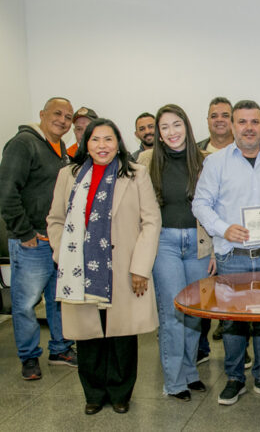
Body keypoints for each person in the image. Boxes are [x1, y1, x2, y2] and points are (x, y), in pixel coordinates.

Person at [193, 99, 260, 406]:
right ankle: (234, 378)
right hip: (233, 256)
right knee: (233, 321)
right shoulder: (216, 163)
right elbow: (200, 204)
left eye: (254, 122)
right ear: (232, 126)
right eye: (242, 122)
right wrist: (223, 228)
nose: (249, 128)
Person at [47, 118, 161, 415]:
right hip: (80, 268)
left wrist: (140, 267)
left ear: (117, 142)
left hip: (123, 266)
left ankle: (121, 393)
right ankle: (94, 393)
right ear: (86, 144)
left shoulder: (135, 173)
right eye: (95, 139)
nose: (102, 145)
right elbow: (56, 220)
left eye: (108, 139)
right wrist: (63, 253)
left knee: (122, 334)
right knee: (89, 334)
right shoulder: (69, 175)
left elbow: (151, 221)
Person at [138, 104, 215, 401]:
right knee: (172, 312)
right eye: (165, 127)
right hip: (165, 243)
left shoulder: (205, 160)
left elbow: (216, 206)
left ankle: (190, 372)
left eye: (177, 124)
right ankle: (173, 381)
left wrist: (214, 250)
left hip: (199, 244)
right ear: (158, 133)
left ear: (187, 126)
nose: (172, 132)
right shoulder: (147, 161)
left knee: (194, 313)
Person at [0, 97, 77, 381]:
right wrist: (24, 232)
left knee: (58, 300)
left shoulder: (60, 150)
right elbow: (6, 191)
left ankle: (60, 349)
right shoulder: (23, 144)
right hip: (31, 241)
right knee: (25, 304)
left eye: (68, 117)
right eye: (57, 113)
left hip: (57, 241)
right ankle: (29, 356)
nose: (63, 120)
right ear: (42, 114)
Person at [194, 97, 234, 363]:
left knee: (235, 300)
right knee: (203, 295)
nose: (219, 120)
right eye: (214, 115)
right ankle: (201, 348)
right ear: (207, 120)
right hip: (203, 234)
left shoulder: (244, 151)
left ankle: (238, 353)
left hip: (234, 240)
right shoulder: (195, 152)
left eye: (225, 115)